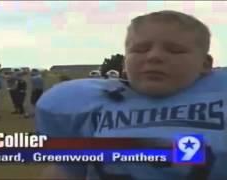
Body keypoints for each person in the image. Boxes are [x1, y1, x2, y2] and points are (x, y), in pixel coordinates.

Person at [35, 10, 227, 179]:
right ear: (125, 63)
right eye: (139, 50)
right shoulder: (79, 102)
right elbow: (67, 171)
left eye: (175, 50)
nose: (153, 56)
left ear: (205, 64)